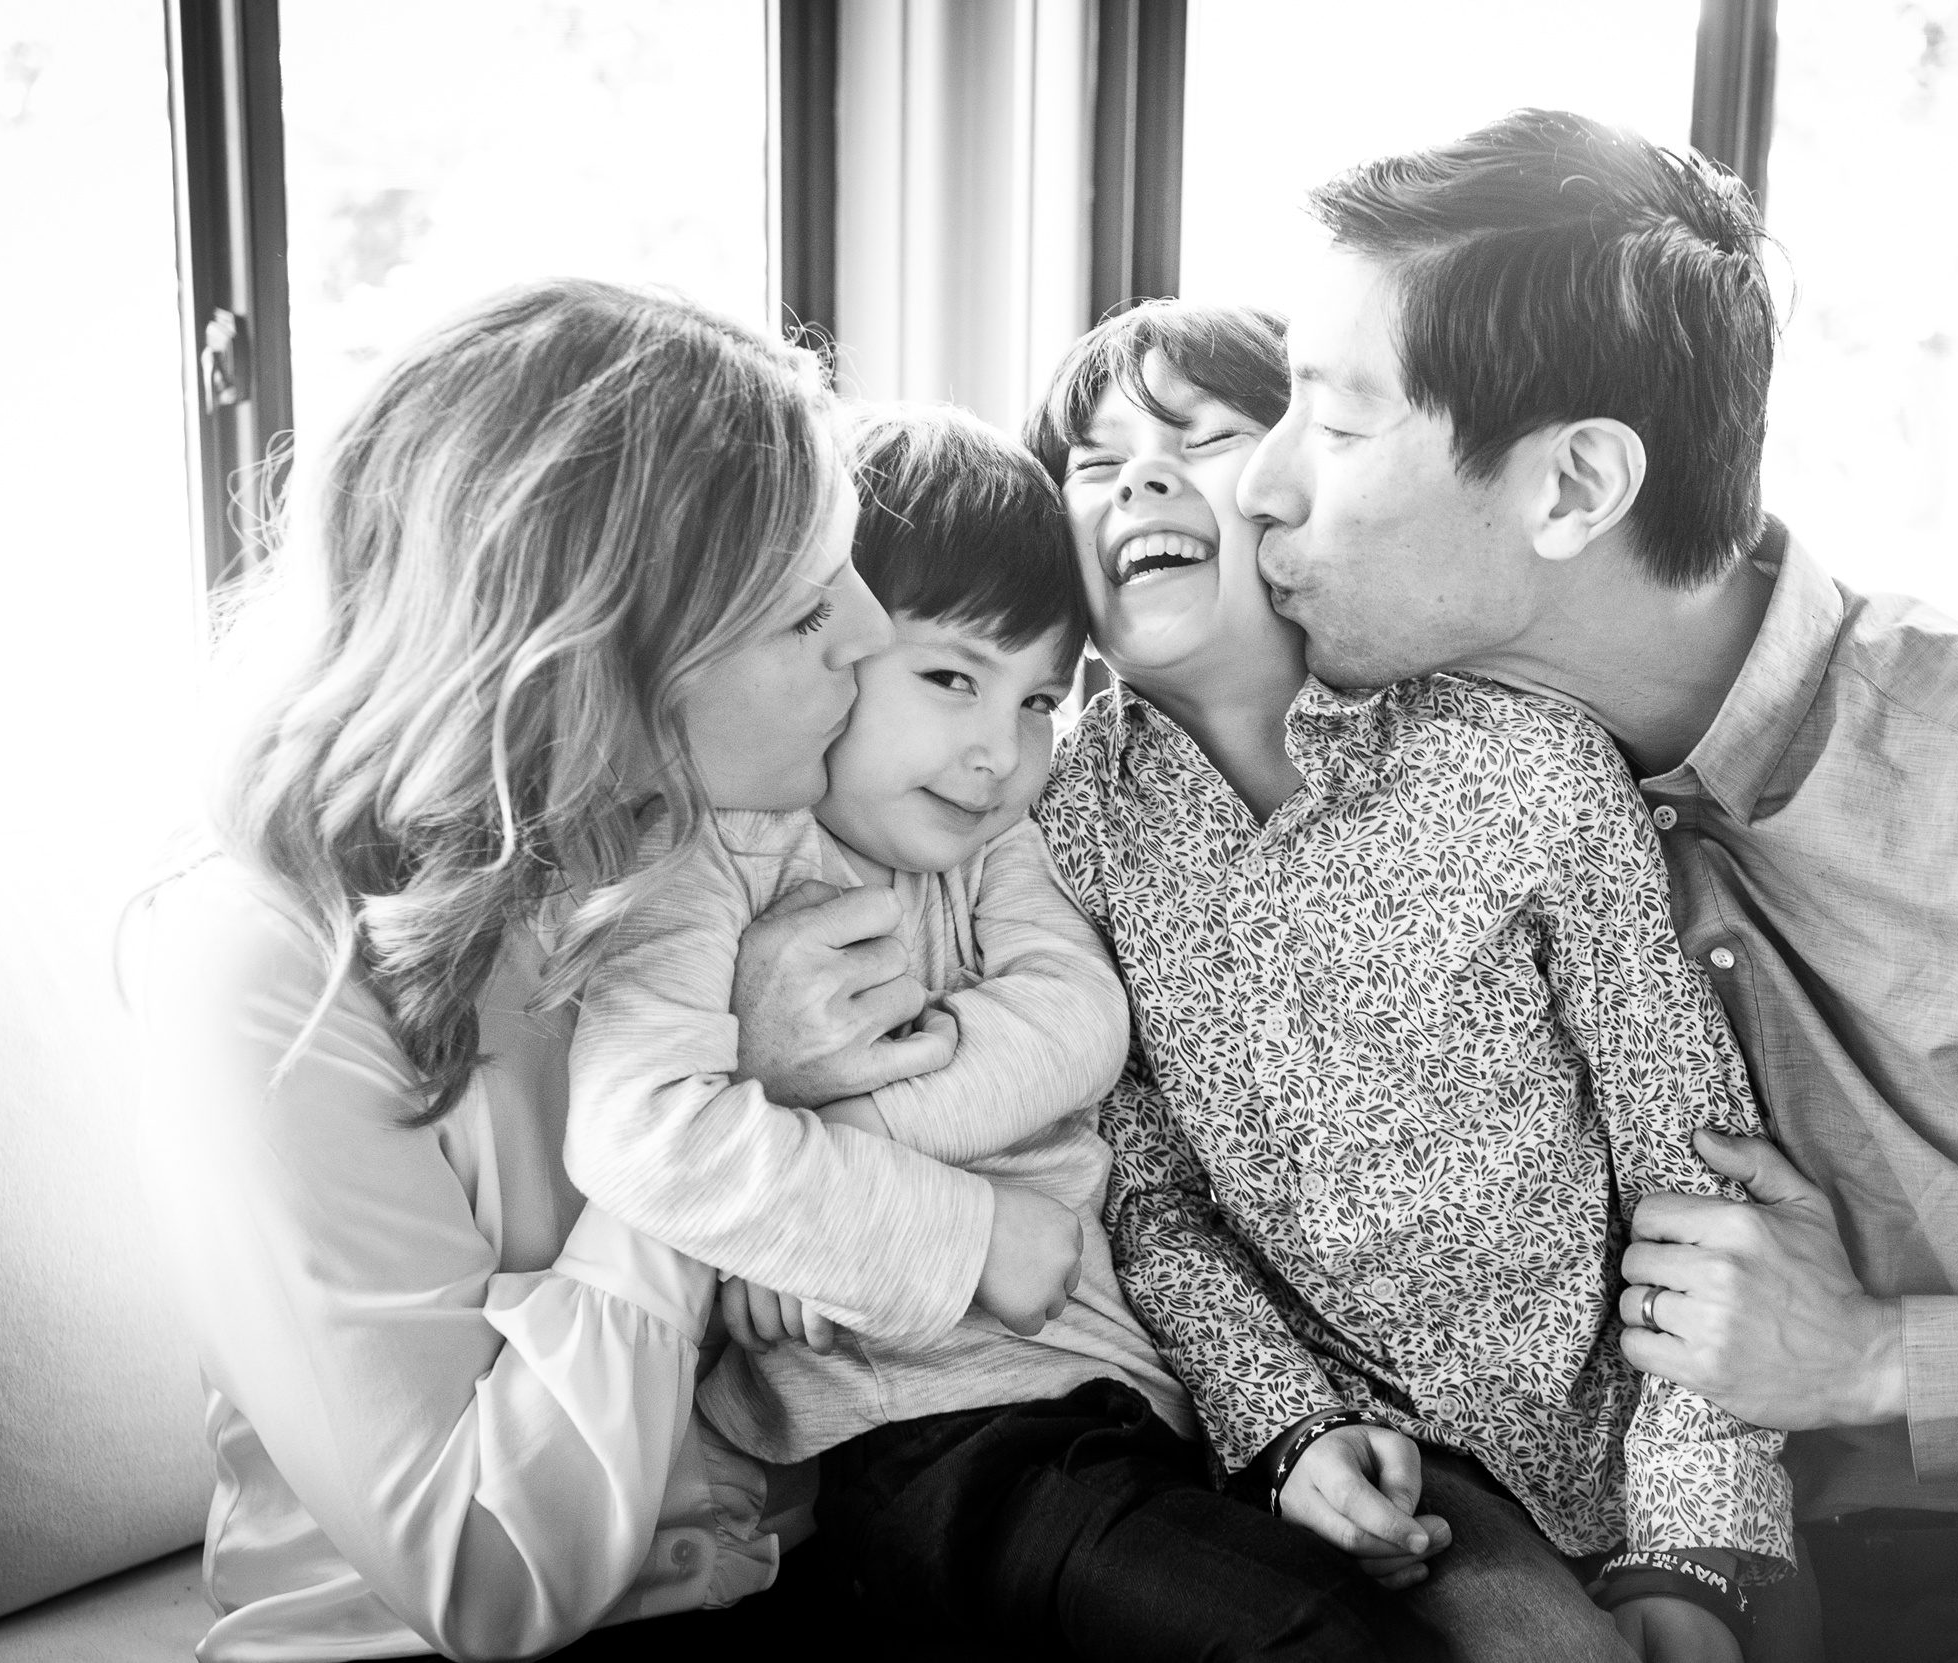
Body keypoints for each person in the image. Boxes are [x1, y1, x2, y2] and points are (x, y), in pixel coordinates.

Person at [1234, 107, 1958, 1663]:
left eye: (1335, 418)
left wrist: (1869, 1358)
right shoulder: (1382, 764)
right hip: (1584, 1529)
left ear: (1575, 486)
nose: (1257, 484)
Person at [124, 280, 975, 1660]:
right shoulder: (266, 967)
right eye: (805, 610)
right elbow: (486, 1572)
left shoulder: (709, 839)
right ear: (596, 664)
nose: (876, 629)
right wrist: (705, 1109)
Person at [563, 403, 1438, 1663]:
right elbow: (642, 1129)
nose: (998, 752)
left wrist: (829, 1140)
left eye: (1040, 701)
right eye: (950, 679)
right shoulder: (721, 848)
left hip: (1120, 1411)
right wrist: (956, 1230)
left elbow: (1075, 1019)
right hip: (924, 1432)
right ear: (833, 644)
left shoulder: (999, 845)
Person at [1027, 298, 1795, 1663]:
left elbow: (1696, 1158)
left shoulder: (1521, 760)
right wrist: (1290, 1427)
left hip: (1653, 1436)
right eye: (1095, 464)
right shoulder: (1073, 821)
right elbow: (1149, 1194)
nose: (1139, 474)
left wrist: (1695, 1547)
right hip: (1400, 1468)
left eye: (1198, 438)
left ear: (1297, 495)